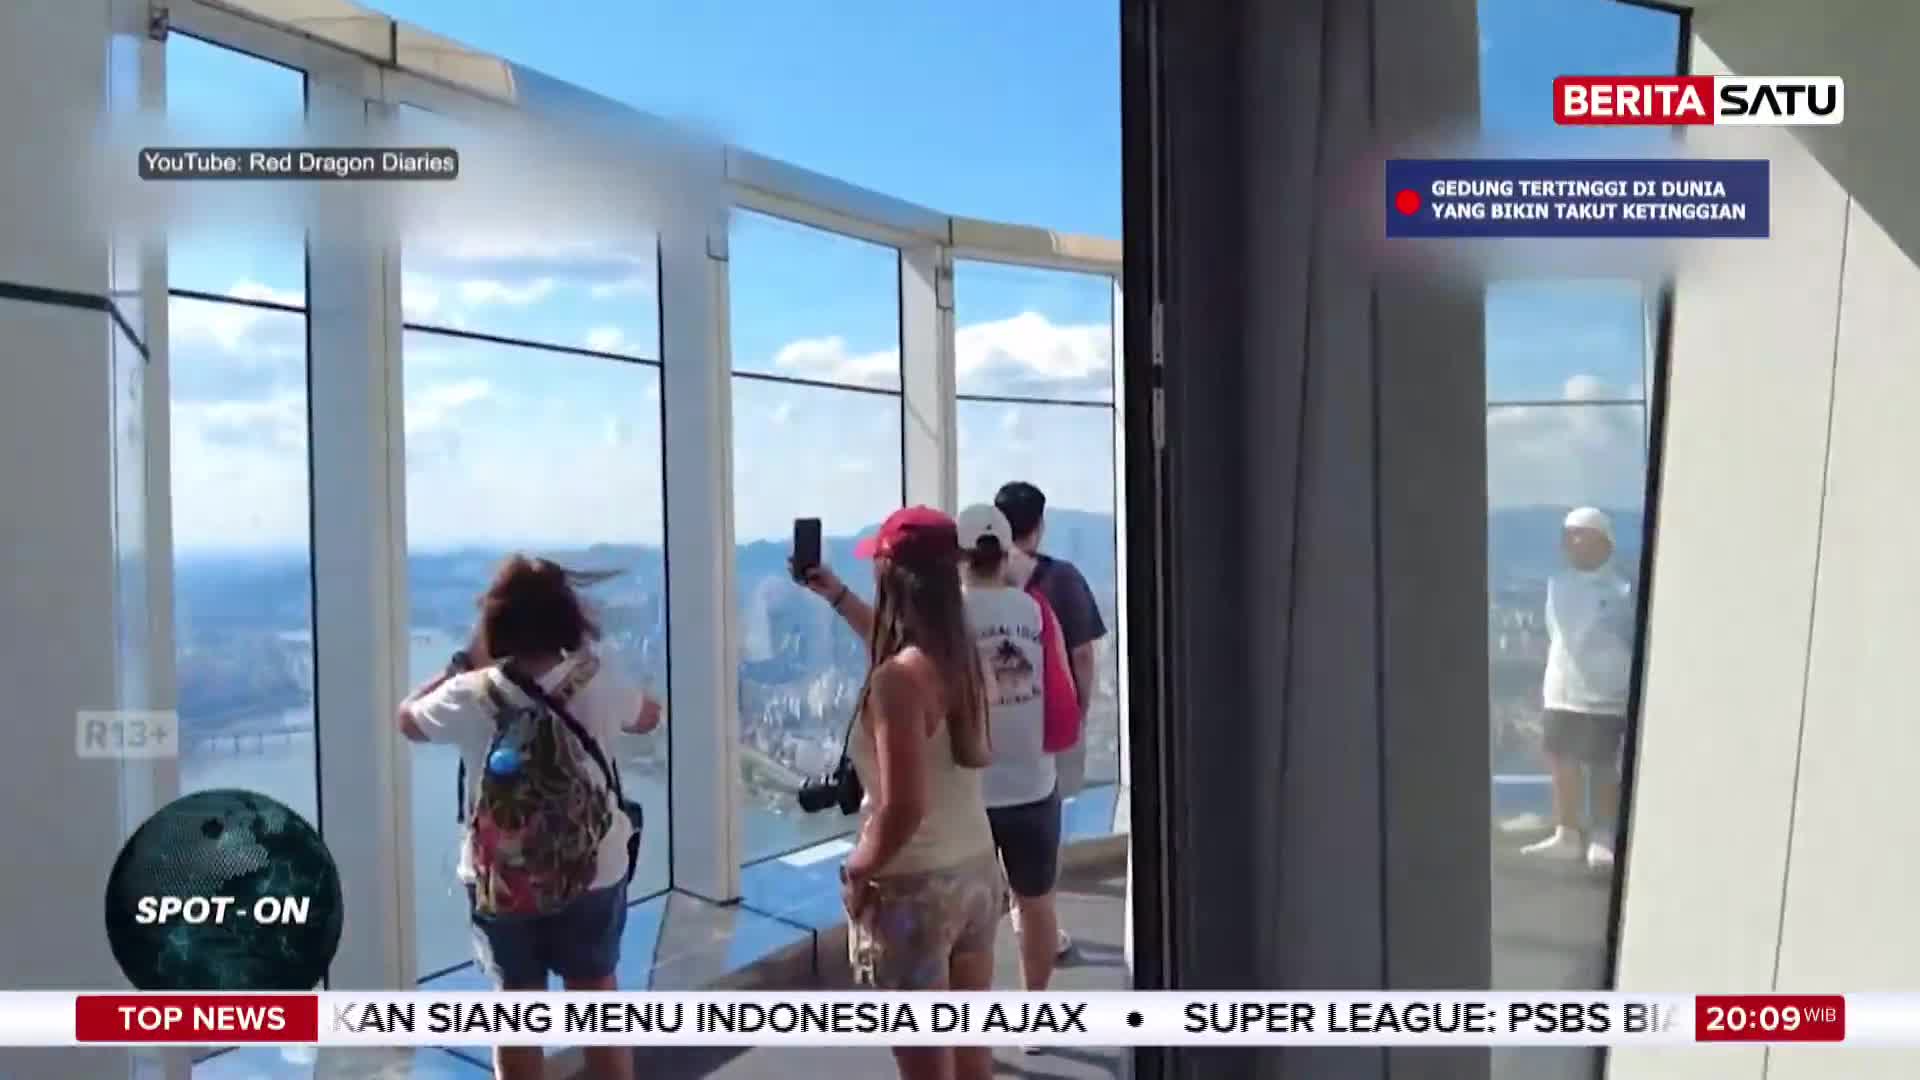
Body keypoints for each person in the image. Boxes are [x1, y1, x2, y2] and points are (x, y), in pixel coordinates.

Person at [397, 555, 660, 1080]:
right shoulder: (596, 680)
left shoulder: (470, 695)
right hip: (593, 869)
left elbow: (406, 719)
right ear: (568, 616)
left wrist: (462, 662)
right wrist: (591, 667)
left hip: (503, 880)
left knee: (515, 1011)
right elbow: (650, 715)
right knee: (598, 1002)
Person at [795, 506, 1002, 1080]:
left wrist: (856, 869)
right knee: (971, 1059)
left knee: (924, 1067)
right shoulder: (963, 659)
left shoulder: (896, 683)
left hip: (915, 888)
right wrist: (835, 596)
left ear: (889, 576)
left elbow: (904, 808)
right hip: (978, 874)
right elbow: (897, 651)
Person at [955, 503, 1077, 1050]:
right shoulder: (1035, 610)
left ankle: (971, 1034)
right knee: (1038, 901)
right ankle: (1035, 1015)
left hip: (966, 793)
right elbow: (1062, 691)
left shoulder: (948, 615)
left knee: (965, 922)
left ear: (958, 556)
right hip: (1032, 782)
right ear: (1006, 553)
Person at [993, 480, 1106, 958]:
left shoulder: (975, 581)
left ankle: (1013, 908)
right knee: (1042, 828)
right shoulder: (1061, 580)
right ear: (1039, 526)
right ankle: (1033, 914)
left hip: (988, 732)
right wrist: (1077, 715)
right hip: (1046, 729)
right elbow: (1082, 656)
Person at [1524, 508, 1634, 872]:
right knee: (1561, 760)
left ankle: (1603, 836)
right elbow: (1555, 633)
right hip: (1562, 687)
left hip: (1605, 691)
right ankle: (1566, 833)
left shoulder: (1623, 589)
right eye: (1568, 535)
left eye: (1581, 534)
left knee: (1602, 764)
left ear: (1604, 542)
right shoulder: (1557, 585)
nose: (1572, 542)